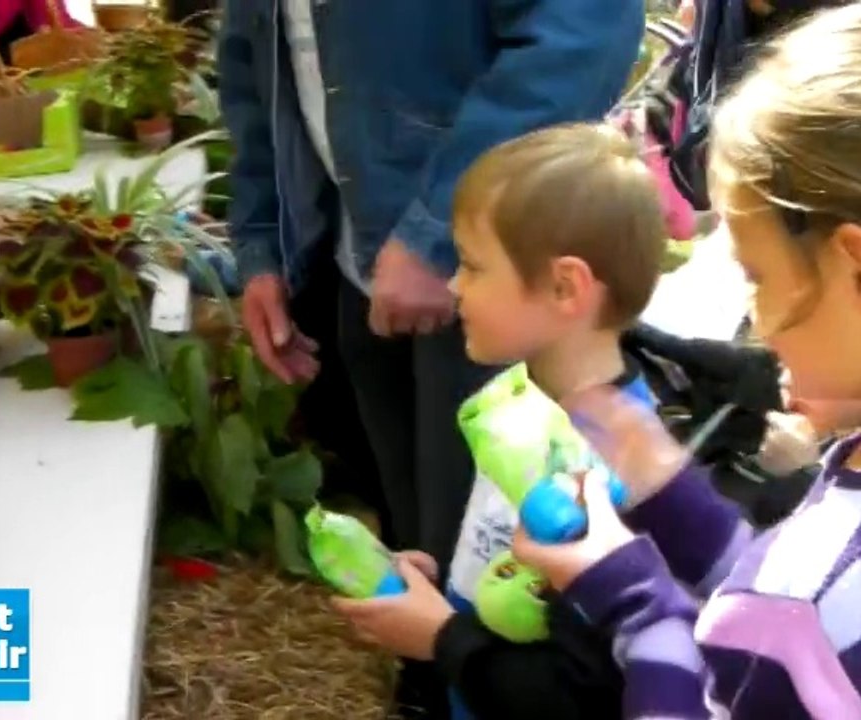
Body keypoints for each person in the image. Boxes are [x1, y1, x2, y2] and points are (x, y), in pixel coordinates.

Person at [219, 1, 644, 714]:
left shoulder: (602, 439)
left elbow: (579, 31)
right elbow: (254, 71)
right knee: (428, 534)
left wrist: (440, 234)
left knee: (504, 567)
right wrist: (265, 244)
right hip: (366, 269)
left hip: (493, 278)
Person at [512, 5, 861, 717]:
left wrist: (640, 606)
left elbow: (781, 627)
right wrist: (664, 487)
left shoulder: (806, 602)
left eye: (757, 278)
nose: (756, 325)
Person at [334, 123, 667, 720]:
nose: (455, 285)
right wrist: (439, 590)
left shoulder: (604, 472)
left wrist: (442, 639)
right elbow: (509, 574)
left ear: (565, 287)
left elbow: (576, 693)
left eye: (472, 265)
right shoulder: (520, 401)